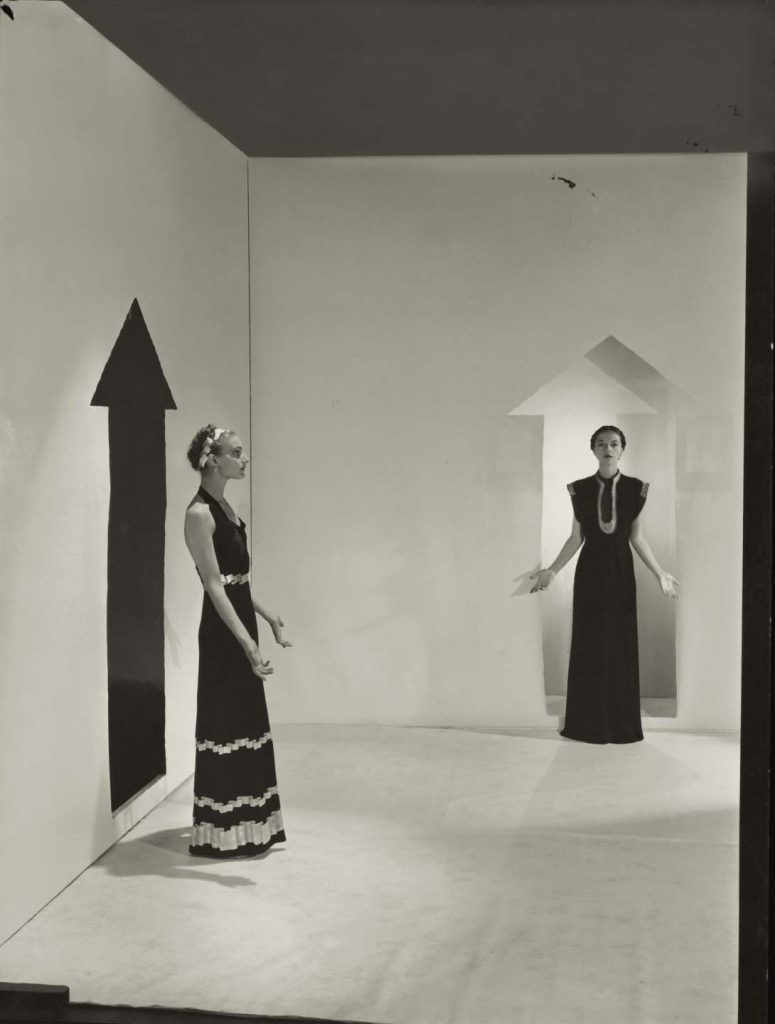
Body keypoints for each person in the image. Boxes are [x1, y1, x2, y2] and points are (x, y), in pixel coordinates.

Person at [530, 426, 679, 744]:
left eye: (613, 444)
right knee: (590, 643)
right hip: (590, 574)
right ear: (593, 449)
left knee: (620, 644)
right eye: (601, 444)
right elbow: (576, 538)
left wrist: (660, 573)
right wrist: (553, 571)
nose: (607, 449)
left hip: (621, 573)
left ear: (622, 449)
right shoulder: (579, 489)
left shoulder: (636, 489)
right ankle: (586, 724)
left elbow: (637, 538)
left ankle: (621, 725)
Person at [184, 424, 291, 856]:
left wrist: (265, 613)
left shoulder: (225, 505)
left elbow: (236, 581)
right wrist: (248, 644)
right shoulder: (199, 514)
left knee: (247, 723)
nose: (244, 459)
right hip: (223, 633)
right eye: (236, 452)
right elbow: (213, 586)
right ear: (213, 460)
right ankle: (223, 832)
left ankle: (251, 827)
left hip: (241, 621)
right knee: (226, 724)